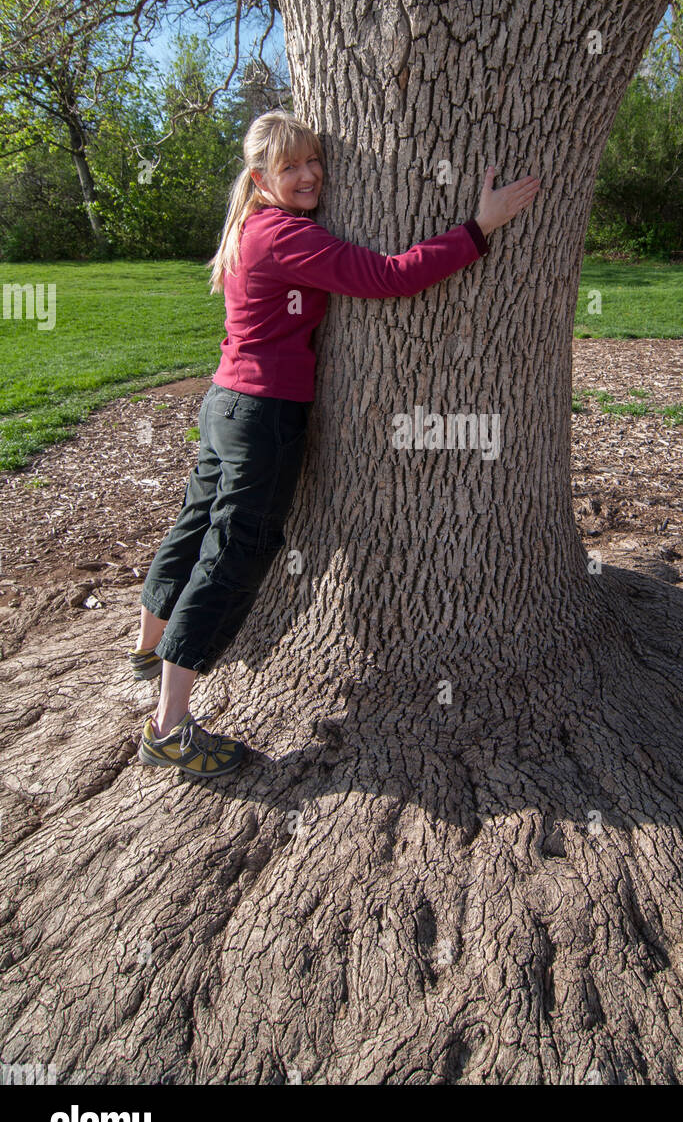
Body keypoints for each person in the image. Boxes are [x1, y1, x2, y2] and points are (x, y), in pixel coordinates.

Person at [131, 109, 541, 781]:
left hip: (226, 402)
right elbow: (387, 276)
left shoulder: (247, 227)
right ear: (261, 176)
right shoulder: (284, 235)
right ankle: (169, 727)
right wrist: (479, 228)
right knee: (237, 550)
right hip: (261, 413)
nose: (309, 173)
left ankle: (148, 650)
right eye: (290, 165)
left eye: (313, 160)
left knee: (197, 525)